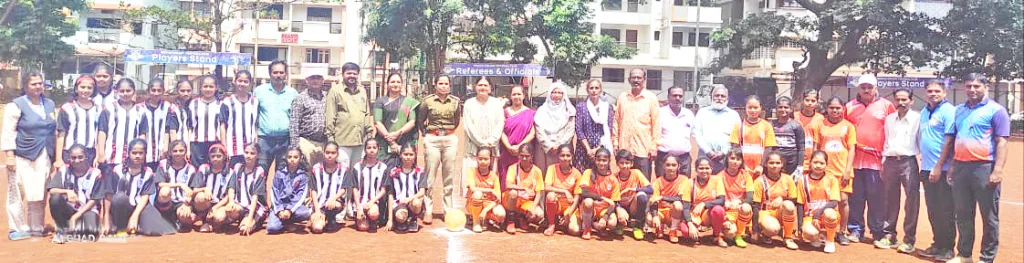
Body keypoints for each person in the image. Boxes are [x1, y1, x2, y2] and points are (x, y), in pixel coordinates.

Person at [933, 73, 1009, 263]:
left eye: (976, 86)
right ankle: (965, 255)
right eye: (968, 86)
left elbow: (1001, 142)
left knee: (989, 217)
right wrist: (951, 166)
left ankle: (986, 258)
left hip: (984, 168)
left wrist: (998, 169)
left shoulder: (996, 110)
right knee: (963, 214)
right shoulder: (959, 111)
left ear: (985, 87)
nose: (972, 90)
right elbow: (953, 140)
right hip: (960, 168)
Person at [845, 74, 896, 243]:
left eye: (870, 87)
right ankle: (855, 230)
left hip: (877, 162)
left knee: (876, 198)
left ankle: (877, 231)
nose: (866, 90)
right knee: (856, 197)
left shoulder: (887, 106)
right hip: (854, 162)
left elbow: (893, 131)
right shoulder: (849, 107)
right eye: (863, 87)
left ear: (875, 88)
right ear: (858, 88)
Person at [874, 88, 921, 252]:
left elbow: (921, 142)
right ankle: (889, 235)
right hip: (890, 162)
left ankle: (909, 240)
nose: (901, 103)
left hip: (909, 162)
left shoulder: (918, 119)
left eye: (904, 100)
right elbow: (887, 141)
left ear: (911, 100)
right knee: (889, 199)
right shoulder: (889, 119)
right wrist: (883, 162)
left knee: (911, 201)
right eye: (898, 100)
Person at [102, 139, 177, 236]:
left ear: (145, 154)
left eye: (141, 153)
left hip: (140, 206)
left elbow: (145, 196)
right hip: (121, 207)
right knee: (120, 198)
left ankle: (137, 224)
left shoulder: (148, 173)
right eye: (134, 153)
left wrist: (135, 216)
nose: (137, 156)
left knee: (155, 230)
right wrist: (106, 217)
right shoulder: (117, 171)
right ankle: (121, 226)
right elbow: (108, 195)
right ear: (128, 153)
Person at [917, 80, 957, 261]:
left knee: (946, 210)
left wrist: (939, 166)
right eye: (930, 91)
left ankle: (948, 249)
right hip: (926, 168)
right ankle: (937, 244)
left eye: (937, 91)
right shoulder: (925, 111)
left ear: (944, 93)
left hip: (942, 169)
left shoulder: (949, 111)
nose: (933, 94)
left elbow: (949, 141)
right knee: (933, 210)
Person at [417, 74, 461, 224]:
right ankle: (428, 209)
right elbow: (420, 120)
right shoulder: (427, 101)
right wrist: (427, 134)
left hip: (449, 139)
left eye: (446, 83)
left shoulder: (455, 102)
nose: (443, 86)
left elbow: (456, 121)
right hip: (432, 139)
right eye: (440, 83)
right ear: (435, 85)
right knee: (430, 175)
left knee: (448, 175)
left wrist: (447, 133)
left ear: (449, 85)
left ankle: (447, 210)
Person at [817, 97, 857, 245]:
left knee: (843, 201)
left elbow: (852, 149)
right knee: (825, 201)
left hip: (842, 171)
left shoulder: (849, 126)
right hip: (824, 171)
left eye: (838, 108)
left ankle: (842, 231)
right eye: (832, 107)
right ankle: (825, 230)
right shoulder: (821, 125)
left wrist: (848, 170)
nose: (835, 110)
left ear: (843, 109)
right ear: (827, 108)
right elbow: (817, 148)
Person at [46, 145, 104, 243]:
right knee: (55, 199)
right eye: (73, 158)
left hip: (87, 210)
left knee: (90, 233)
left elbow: (94, 199)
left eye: (80, 157)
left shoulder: (95, 173)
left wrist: (75, 217)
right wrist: (67, 191)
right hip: (69, 209)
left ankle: (75, 229)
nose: (77, 160)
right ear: (69, 158)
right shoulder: (64, 170)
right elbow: (52, 189)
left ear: (86, 157)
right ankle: (61, 231)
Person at [612, 68, 660, 178]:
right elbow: (616, 121)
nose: (636, 80)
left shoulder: (651, 98)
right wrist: (615, 142)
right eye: (633, 77)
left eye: (639, 77)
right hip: (625, 148)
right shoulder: (622, 98)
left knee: (643, 183)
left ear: (644, 79)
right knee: (624, 181)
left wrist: (654, 147)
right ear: (629, 80)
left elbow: (656, 124)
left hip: (643, 150)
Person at [326, 62, 373, 168]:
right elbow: (330, 116)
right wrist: (331, 140)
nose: (352, 76)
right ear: (343, 75)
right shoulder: (335, 91)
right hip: (342, 141)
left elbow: (366, 113)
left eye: (355, 74)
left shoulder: (362, 91)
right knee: (343, 172)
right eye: (349, 73)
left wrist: (369, 134)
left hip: (360, 141)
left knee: (357, 172)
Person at [254, 60, 298, 171]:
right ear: (270, 74)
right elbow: (254, 116)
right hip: (264, 139)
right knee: (260, 172)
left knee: (282, 173)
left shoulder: (293, 93)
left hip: (285, 140)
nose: (278, 75)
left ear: (286, 74)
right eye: (275, 72)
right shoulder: (259, 91)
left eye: (281, 72)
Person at [97, 78, 146, 177]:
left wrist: (141, 153)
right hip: (111, 156)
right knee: (110, 188)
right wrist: (101, 153)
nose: (125, 94)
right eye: (122, 91)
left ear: (133, 92)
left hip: (132, 158)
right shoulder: (108, 109)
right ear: (116, 92)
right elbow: (102, 132)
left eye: (128, 91)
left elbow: (142, 133)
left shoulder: (140, 111)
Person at [751, 152, 799, 250]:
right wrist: (754, 230)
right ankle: (765, 232)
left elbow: (795, 199)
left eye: (777, 163)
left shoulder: (788, 179)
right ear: (766, 164)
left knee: (789, 205)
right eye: (771, 163)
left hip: (780, 212)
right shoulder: (759, 181)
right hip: (765, 213)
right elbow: (755, 206)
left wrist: (782, 198)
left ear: (782, 164)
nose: (774, 166)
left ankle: (788, 237)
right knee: (773, 229)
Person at [796, 151, 841, 253]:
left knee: (829, 213)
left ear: (826, 165)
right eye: (815, 162)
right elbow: (800, 204)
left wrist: (818, 213)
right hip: (810, 217)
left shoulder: (832, 179)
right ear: (810, 163)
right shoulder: (802, 180)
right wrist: (799, 226)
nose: (818, 166)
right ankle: (817, 237)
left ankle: (830, 241)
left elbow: (834, 202)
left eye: (822, 163)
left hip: (826, 215)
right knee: (809, 233)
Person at [153, 140, 202, 232]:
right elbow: (160, 184)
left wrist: (187, 205)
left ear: (185, 151)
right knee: (165, 191)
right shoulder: (164, 165)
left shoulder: (191, 169)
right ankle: (165, 218)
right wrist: (179, 185)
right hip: (167, 201)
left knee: (187, 217)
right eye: (175, 151)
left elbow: (192, 190)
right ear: (170, 152)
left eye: (181, 151)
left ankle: (178, 220)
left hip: (182, 202)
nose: (178, 153)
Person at [373, 73, 420, 167]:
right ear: (387, 84)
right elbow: (378, 123)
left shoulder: (409, 102)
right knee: (383, 172)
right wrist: (391, 141)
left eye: (398, 82)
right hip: (384, 143)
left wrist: (398, 133)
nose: (395, 84)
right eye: (392, 82)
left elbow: (412, 122)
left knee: (404, 171)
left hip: (404, 142)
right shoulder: (380, 102)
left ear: (402, 84)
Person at [462, 77, 506, 178]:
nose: (483, 88)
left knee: (491, 179)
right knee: (471, 178)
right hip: (473, 148)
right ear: (475, 87)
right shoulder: (469, 104)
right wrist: (481, 142)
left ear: (490, 88)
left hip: (492, 147)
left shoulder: (496, 103)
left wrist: (491, 141)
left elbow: (500, 124)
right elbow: (468, 127)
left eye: (485, 85)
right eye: (480, 85)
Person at [55, 75, 102, 168]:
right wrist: (58, 159)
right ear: (76, 89)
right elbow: (61, 134)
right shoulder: (67, 108)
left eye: (89, 88)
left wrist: (98, 155)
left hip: (90, 153)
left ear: (93, 90)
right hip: (70, 153)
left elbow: (100, 133)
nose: (85, 90)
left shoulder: (99, 109)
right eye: (82, 87)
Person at [694, 84, 742, 174]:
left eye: (723, 96)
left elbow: (736, 137)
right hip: (705, 156)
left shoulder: (734, 115)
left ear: (727, 99)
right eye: (717, 95)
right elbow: (697, 134)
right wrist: (708, 151)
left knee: (723, 185)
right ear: (712, 97)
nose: (719, 98)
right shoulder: (702, 113)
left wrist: (724, 152)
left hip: (725, 158)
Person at [345, 139, 391, 232]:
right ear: (365, 150)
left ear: (378, 149)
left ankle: (372, 219)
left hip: (374, 202)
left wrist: (371, 202)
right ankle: (361, 215)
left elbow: (383, 190)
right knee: (363, 228)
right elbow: (355, 188)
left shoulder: (383, 167)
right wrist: (358, 207)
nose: (372, 150)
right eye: (369, 148)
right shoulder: (357, 167)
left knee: (373, 213)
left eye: (374, 147)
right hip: (360, 202)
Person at [267, 147, 313, 234]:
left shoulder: (303, 175)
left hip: (293, 207)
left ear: (300, 158)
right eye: (290, 157)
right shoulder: (279, 173)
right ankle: (284, 222)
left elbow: (301, 196)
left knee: (306, 213)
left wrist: (289, 210)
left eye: (295, 157)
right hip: (279, 206)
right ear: (286, 158)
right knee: (272, 228)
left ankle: (287, 221)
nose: (292, 159)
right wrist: (279, 210)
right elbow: (274, 192)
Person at [730, 96, 777, 180]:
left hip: (760, 170)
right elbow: (735, 148)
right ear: (745, 108)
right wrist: (742, 166)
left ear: (760, 108)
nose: (752, 110)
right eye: (750, 107)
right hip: (743, 169)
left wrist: (761, 166)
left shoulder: (766, 126)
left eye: (755, 107)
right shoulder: (739, 126)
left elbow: (768, 148)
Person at [578, 148, 621, 240]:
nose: (601, 163)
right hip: (591, 208)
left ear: (609, 161)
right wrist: (603, 198)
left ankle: (597, 225)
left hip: (604, 209)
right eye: (599, 160)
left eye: (604, 160)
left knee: (612, 224)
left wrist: (605, 217)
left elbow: (613, 203)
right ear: (595, 160)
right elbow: (584, 193)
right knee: (588, 201)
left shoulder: (613, 180)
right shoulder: (588, 173)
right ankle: (587, 228)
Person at [138, 79, 180, 171]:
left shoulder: (167, 107)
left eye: (159, 90)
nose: (156, 93)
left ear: (163, 91)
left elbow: (168, 129)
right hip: (144, 152)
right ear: (148, 91)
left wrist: (165, 148)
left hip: (161, 152)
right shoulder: (139, 108)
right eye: (153, 90)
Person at [647, 155, 691, 243]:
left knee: (678, 205)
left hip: (674, 213)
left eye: (674, 165)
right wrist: (655, 216)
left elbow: (682, 199)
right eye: (668, 165)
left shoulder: (684, 180)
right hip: (661, 212)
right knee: (649, 218)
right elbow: (653, 201)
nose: (671, 168)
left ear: (679, 166)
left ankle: (673, 230)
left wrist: (662, 197)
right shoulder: (657, 182)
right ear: (663, 166)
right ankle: (660, 227)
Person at [502, 143, 544, 234]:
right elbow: (508, 185)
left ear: (531, 156)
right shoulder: (513, 168)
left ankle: (522, 218)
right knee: (513, 193)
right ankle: (510, 221)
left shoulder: (537, 171)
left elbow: (539, 192)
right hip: (512, 199)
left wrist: (533, 207)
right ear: (518, 156)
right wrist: (524, 188)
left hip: (526, 201)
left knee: (539, 214)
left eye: (527, 156)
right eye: (522, 156)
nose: (524, 158)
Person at [543, 145, 585, 236]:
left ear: (572, 156)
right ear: (558, 156)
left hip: (569, 207)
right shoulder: (552, 168)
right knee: (550, 195)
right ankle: (551, 224)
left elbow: (577, 196)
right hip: (556, 204)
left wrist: (569, 214)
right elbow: (546, 187)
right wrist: (565, 191)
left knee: (575, 230)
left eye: (568, 155)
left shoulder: (577, 174)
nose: (565, 158)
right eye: (562, 155)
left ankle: (563, 223)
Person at [534, 82, 576, 171]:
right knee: (544, 174)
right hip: (544, 149)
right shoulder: (542, 110)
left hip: (563, 150)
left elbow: (570, 131)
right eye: (554, 92)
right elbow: (539, 129)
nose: (556, 95)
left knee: (562, 174)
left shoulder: (569, 110)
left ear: (563, 94)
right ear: (550, 94)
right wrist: (549, 146)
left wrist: (558, 146)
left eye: (559, 93)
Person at [289, 73, 328, 170]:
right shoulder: (300, 98)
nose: (315, 81)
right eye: (312, 78)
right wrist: (295, 146)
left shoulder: (327, 97)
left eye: (318, 78)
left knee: (321, 173)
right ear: (307, 80)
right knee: (306, 172)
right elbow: (294, 123)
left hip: (323, 142)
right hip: (306, 142)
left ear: (323, 80)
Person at [386, 143, 428, 232]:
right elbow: (390, 195)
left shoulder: (420, 171)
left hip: (412, 203)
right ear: (400, 155)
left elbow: (422, 192)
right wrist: (390, 219)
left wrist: (409, 199)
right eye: (405, 154)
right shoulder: (394, 172)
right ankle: (401, 221)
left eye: (411, 155)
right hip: (399, 204)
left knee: (416, 202)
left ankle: (413, 219)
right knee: (401, 217)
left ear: (415, 156)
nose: (408, 157)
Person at [687, 156, 728, 247]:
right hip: (694, 214)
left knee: (718, 210)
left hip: (708, 214)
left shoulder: (717, 180)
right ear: (696, 170)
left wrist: (704, 204)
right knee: (686, 232)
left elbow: (722, 200)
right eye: (701, 168)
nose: (704, 171)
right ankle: (696, 232)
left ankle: (717, 236)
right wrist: (690, 224)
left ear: (711, 169)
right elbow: (685, 206)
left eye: (707, 168)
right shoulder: (690, 182)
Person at [498, 84, 537, 182]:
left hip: (523, 153)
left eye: (519, 94)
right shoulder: (504, 112)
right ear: (510, 96)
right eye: (514, 94)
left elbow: (532, 133)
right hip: (507, 152)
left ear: (524, 96)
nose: (516, 97)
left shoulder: (531, 113)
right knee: (505, 179)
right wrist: (509, 147)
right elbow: (501, 131)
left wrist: (519, 147)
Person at [573, 79, 614, 171]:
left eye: (596, 88)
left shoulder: (607, 107)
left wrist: (597, 149)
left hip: (601, 149)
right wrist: (588, 150)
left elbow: (609, 129)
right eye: (591, 88)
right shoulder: (581, 107)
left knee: (599, 178)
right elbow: (579, 130)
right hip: (583, 150)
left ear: (600, 90)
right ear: (587, 90)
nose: (594, 90)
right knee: (582, 179)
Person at [228, 143, 268, 236]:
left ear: (257, 155)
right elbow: (231, 187)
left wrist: (250, 219)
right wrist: (231, 202)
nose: (248, 156)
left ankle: (252, 220)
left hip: (256, 208)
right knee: (223, 214)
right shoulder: (238, 167)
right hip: (241, 205)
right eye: (246, 152)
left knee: (243, 229)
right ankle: (239, 219)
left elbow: (255, 196)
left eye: (252, 153)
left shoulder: (259, 171)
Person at [221, 71, 259, 168]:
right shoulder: (227, 102)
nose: (242, 84)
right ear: (235, 81)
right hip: (232, 148)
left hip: (250, 149)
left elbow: (256, 125)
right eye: (240, 81)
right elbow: (222, 126)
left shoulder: (255, 101)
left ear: (250, 83)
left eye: (245, 81)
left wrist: (256, 142)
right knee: (232, 177)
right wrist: (224, 147)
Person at [309, 142, 349, 234]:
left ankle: (331, 218)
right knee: (317, 229)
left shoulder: (344, 169)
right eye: (327, 152)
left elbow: (344, 188)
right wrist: (317, 210)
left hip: (335, 202)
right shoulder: (316, 168)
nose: (330, 155)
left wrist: (333, 199)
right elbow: (313, 190)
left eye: (333, 153)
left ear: (337, 154)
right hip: (319, 204)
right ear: (323, 153)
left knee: (335, 205)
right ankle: (319, 216)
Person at [464, 147, 506, 233]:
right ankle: (476, 222)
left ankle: (485, 219)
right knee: (477, 193)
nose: (483, 161)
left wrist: (485, 210)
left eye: (486, 159)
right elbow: (472, 188)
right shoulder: (472, 171)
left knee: (501, 215)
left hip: (487, 204)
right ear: (476, 159)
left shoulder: (494, 176)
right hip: (473, 203)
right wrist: (490, 190)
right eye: (480, 159)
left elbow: (498, 199)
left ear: (490, 159)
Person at [657, 86, 694, 178]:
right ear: (668, 97)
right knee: (664, 186)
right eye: (674, 95)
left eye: (680, 96)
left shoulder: (689, 114)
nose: (677, 98)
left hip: (684, 159)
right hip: (664, 158)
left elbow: (694, 133)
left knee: (685, 187)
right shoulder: (660, 113)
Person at [719, 149, 754, 248]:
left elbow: (750, 198)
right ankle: (725, 230)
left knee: (746, 207)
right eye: (732, 158)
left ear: (742, 162)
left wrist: (739, 201)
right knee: (730, 234)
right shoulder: (720, 176)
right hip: (728, 211)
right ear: (727, 160)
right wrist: (725, 202)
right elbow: (717, 197)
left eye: (738, 159)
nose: (735, 161)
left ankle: (739, 235)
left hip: (741, 210)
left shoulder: (746, 176)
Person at [188, 76, 224, 168]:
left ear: (216, 88)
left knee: (214, 169)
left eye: (211, 87)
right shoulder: (194, 103)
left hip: (215, 142)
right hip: (197, 144)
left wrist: (224, 145)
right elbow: (190, 127)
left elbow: (222, 126)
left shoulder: (220, 104)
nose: (208, 89)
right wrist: (188, 148)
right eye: (205, 86)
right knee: (197, 170)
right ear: (201, 88)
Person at [196, 144, 233, 232]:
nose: (215, 159)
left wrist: (215, 208)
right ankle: (205, 220)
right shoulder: (203, 169)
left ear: (224, 157)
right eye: (213, 156)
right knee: (200, 197)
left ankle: (216, 223)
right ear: (209, 157)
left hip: (221, 204)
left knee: (219, 218)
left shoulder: (230, 172)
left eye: (219, 156)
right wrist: (204, 189)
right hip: (206, 203)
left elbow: (229, 195)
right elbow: (194, 190)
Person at [772, 97, 805, 178]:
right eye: (780, 107)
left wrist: (800, 166)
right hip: (775, 161)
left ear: (791, 109)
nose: (783, 109)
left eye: (786, 107)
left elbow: (801, 148)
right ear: (776, 108)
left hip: (792, 161)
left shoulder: (796, 126)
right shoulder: (771, 125)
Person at [795, 89, 824, 176]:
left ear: (817, 102)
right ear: (802, 101)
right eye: (807, 100)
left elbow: (819, 140)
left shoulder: (820, 118)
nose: (810, 103)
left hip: (812, 160)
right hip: (797, 158)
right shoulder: (795, 116)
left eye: (813, 101)